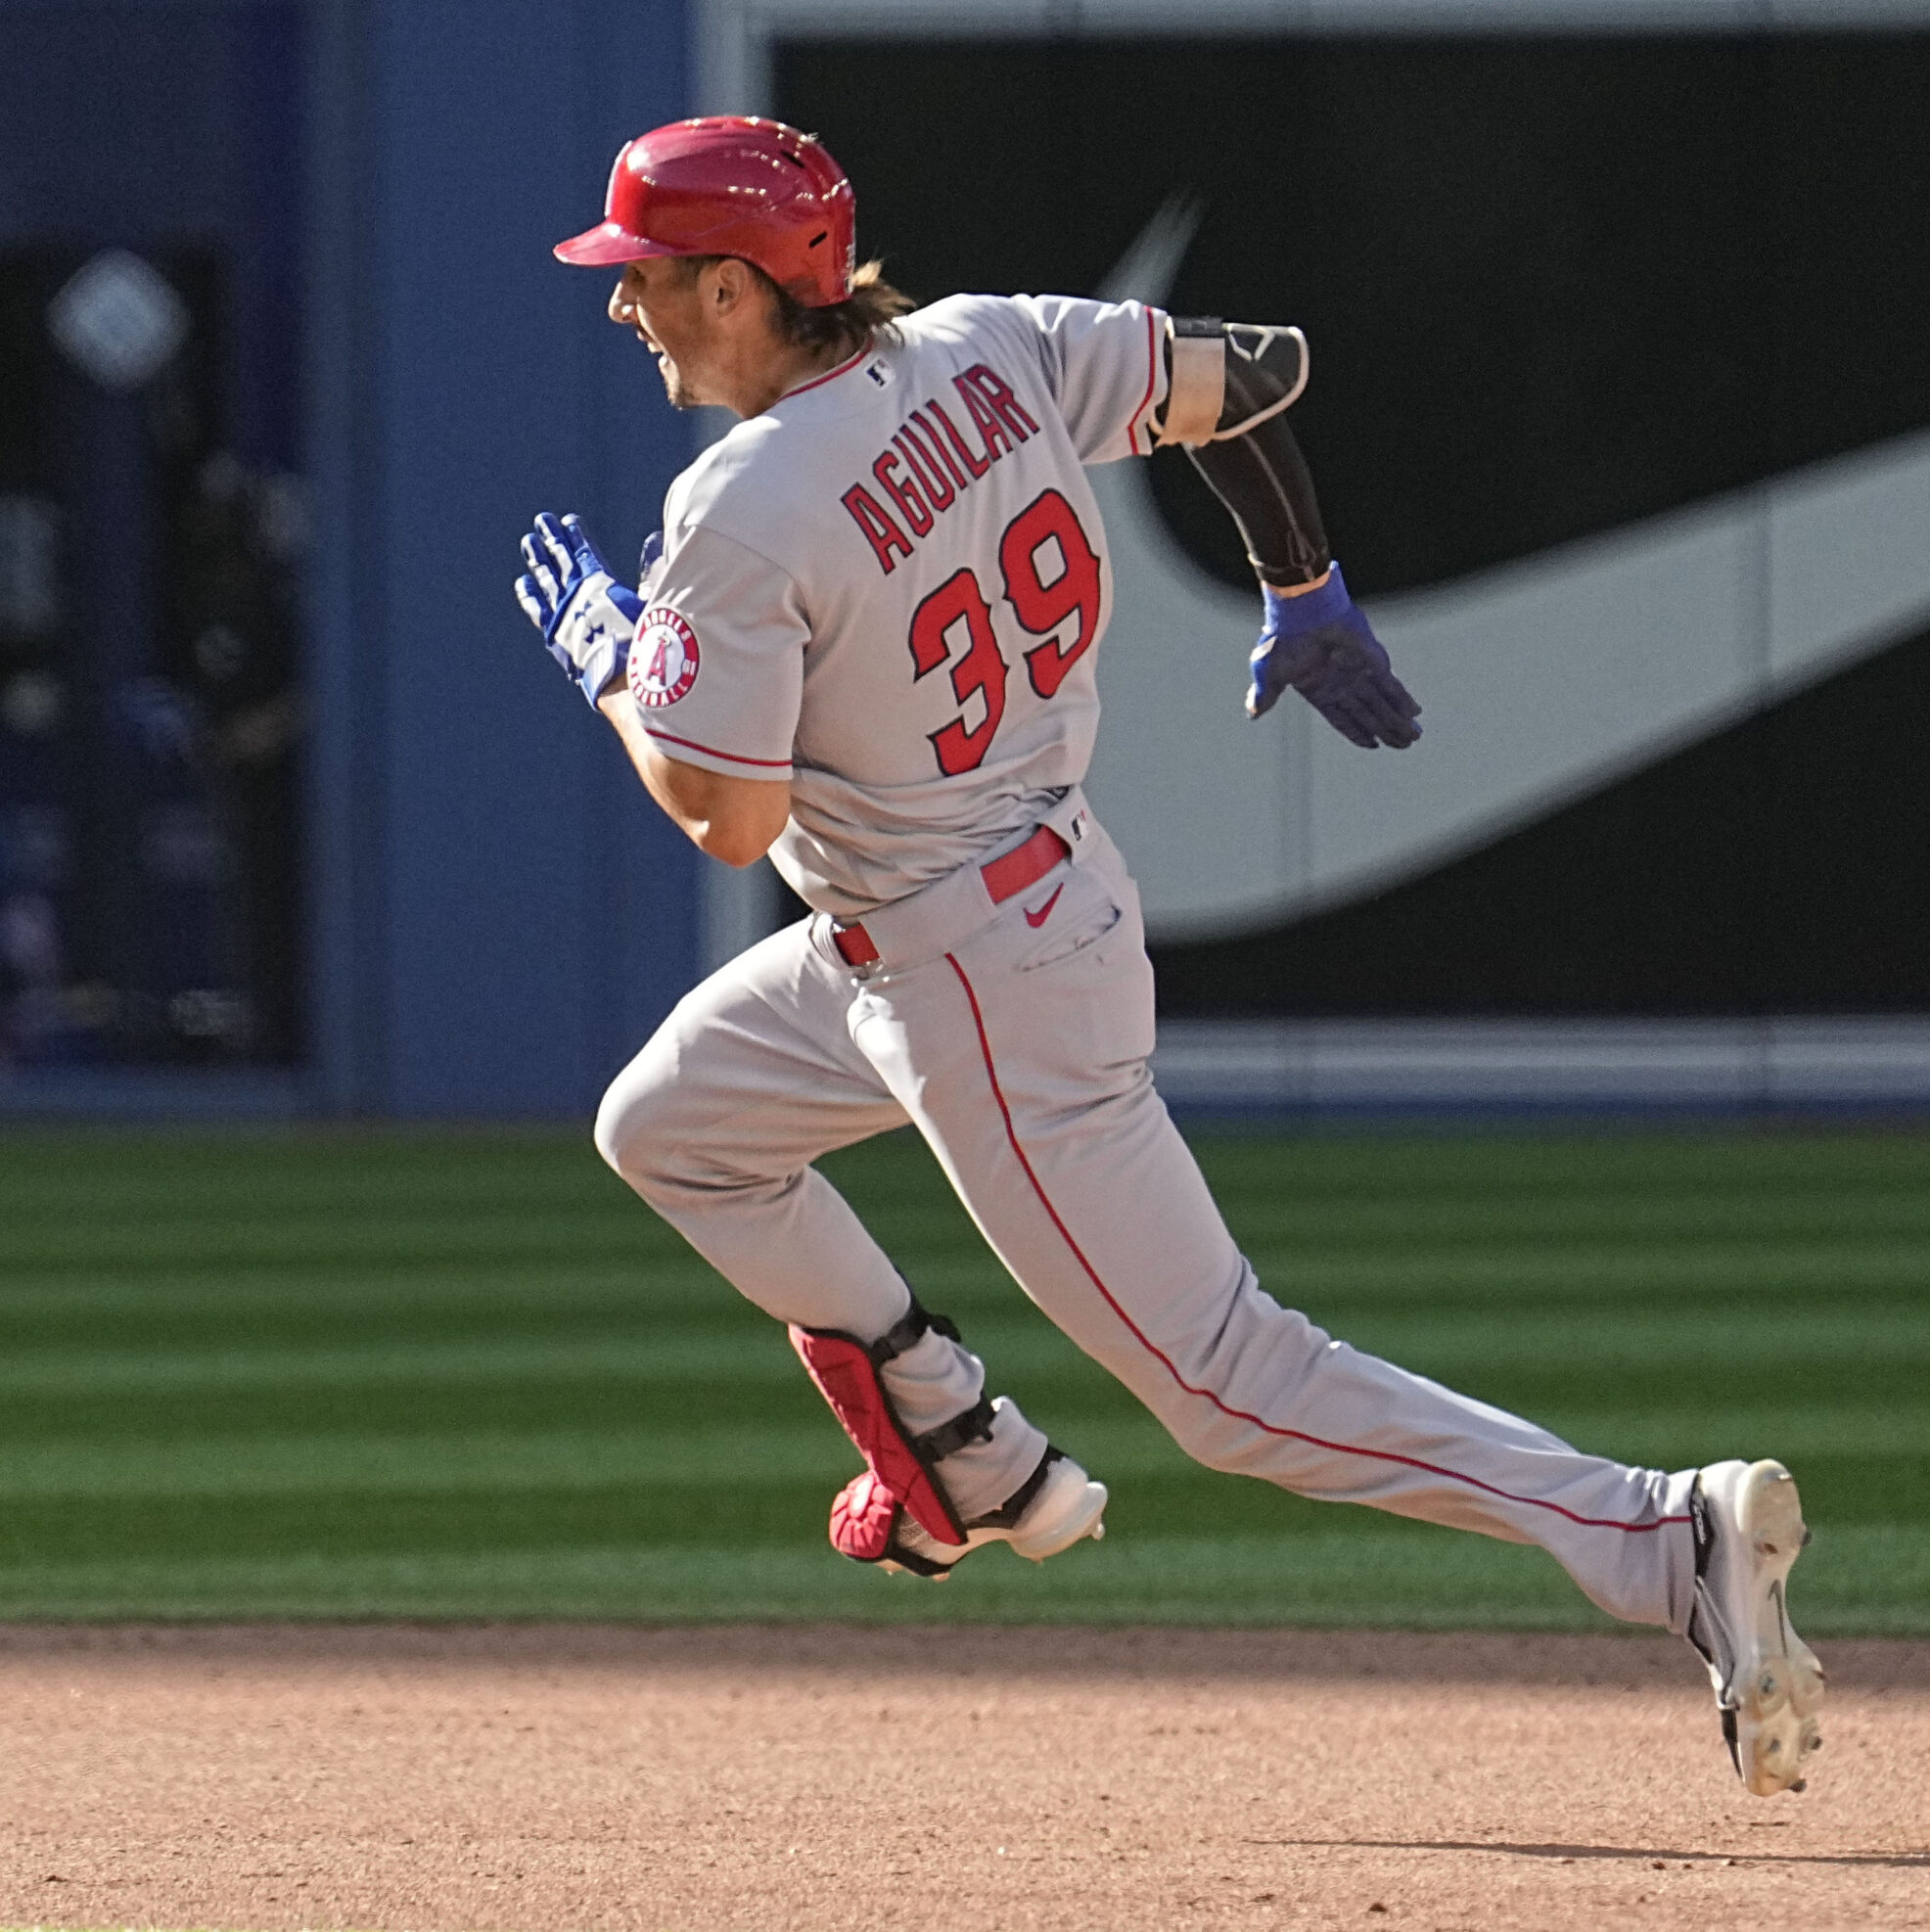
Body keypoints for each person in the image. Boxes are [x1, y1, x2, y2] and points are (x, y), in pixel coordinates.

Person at [516, 115, 1822, 1796]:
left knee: (1233, 1385)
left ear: (738, 285)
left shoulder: (740, 502)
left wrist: (609, 658)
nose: (626, 308)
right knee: (670, 1127)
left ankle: (1660, 1534)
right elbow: (1258, 373)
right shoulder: (989, 344)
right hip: (981, 911)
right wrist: (1304, 577)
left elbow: (724, 813)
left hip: (966, 973)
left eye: (647, 278)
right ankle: (960, 1440)